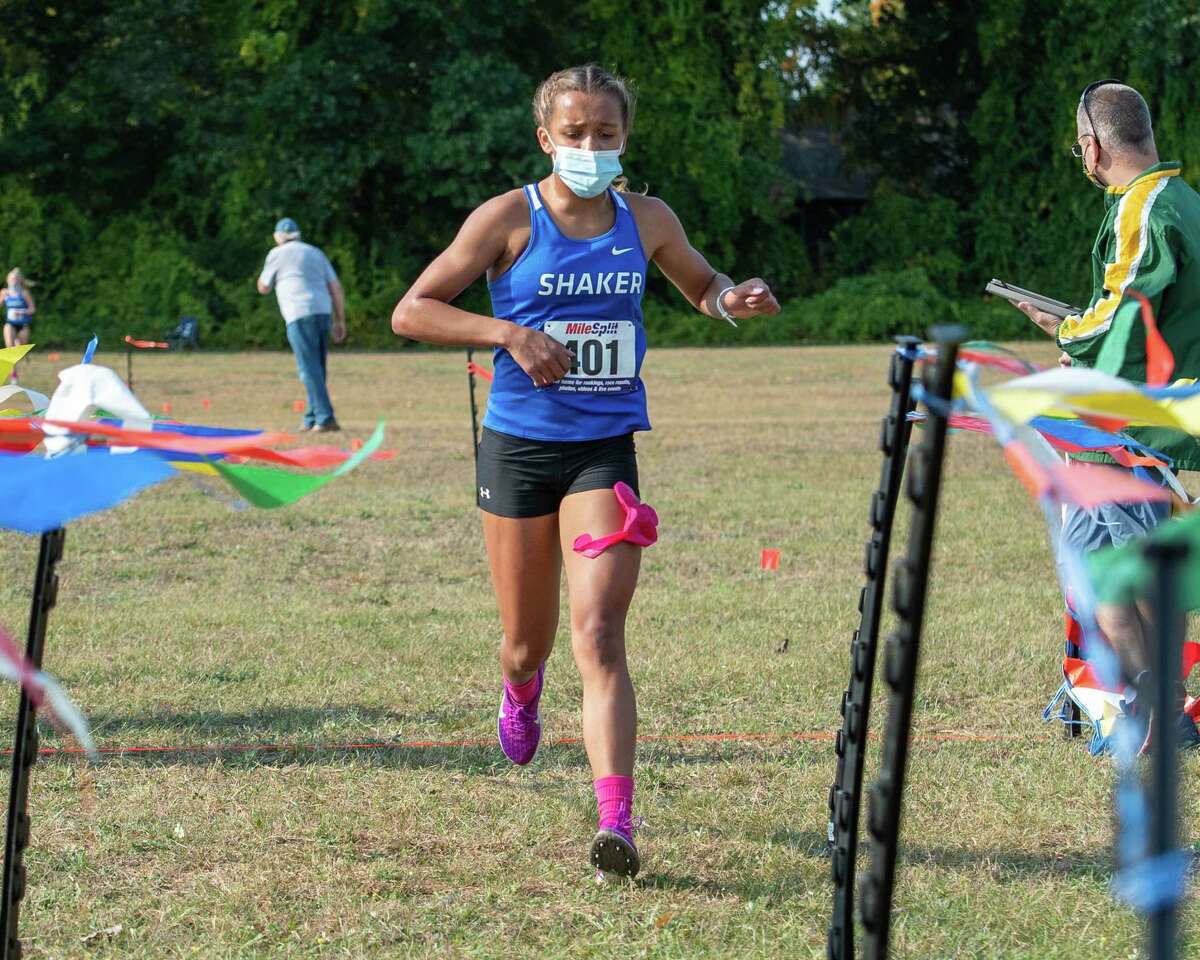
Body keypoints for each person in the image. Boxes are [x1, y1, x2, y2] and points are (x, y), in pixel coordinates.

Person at [391, 64, 780, 878]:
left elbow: (699, 283)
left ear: (625, 139)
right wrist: (506, 334)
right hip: (519, 451)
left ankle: (617, 822)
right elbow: (412, 310)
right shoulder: (508, 218)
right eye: (575, 134)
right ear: (546, 139)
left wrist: (729, 300)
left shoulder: (647, 219)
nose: (591, 147)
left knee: (599, 631)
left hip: (605, 451)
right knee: (526, 644)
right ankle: (520, 688)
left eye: (606, 134)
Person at [1013, 80, 1200, 747]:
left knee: (1117, 574)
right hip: (1146, 415)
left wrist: (1063, 331)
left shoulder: (1143, 206)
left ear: (1091, 147)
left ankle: (1161, 715)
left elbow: (1120, 307)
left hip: (1124, 426)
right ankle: (1148, 706)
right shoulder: (1178, 201)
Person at [256, 217, 347, 431]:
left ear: (278, 237)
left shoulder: (276, 254)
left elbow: (263, 287)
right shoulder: (315, 252)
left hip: (298, 313)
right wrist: (340, 320)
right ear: (298, 234)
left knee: (308, 368)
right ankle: (311, 416)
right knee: (317, 367)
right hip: (322, 311)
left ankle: (325, 418)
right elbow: (335, 287)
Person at [1, 268, 35, 383]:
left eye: (15, 279)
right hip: (10, 324)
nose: (13, 281)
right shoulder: (4, 292)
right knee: (10, 348)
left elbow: (32, 309)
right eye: (11, 279)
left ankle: (18, 347)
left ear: (19, 280)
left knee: (20, 348)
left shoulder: (24, 293)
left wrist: (21, 312)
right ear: (8, 280)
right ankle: (14, 375)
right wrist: (2, 298)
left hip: (23, 324)